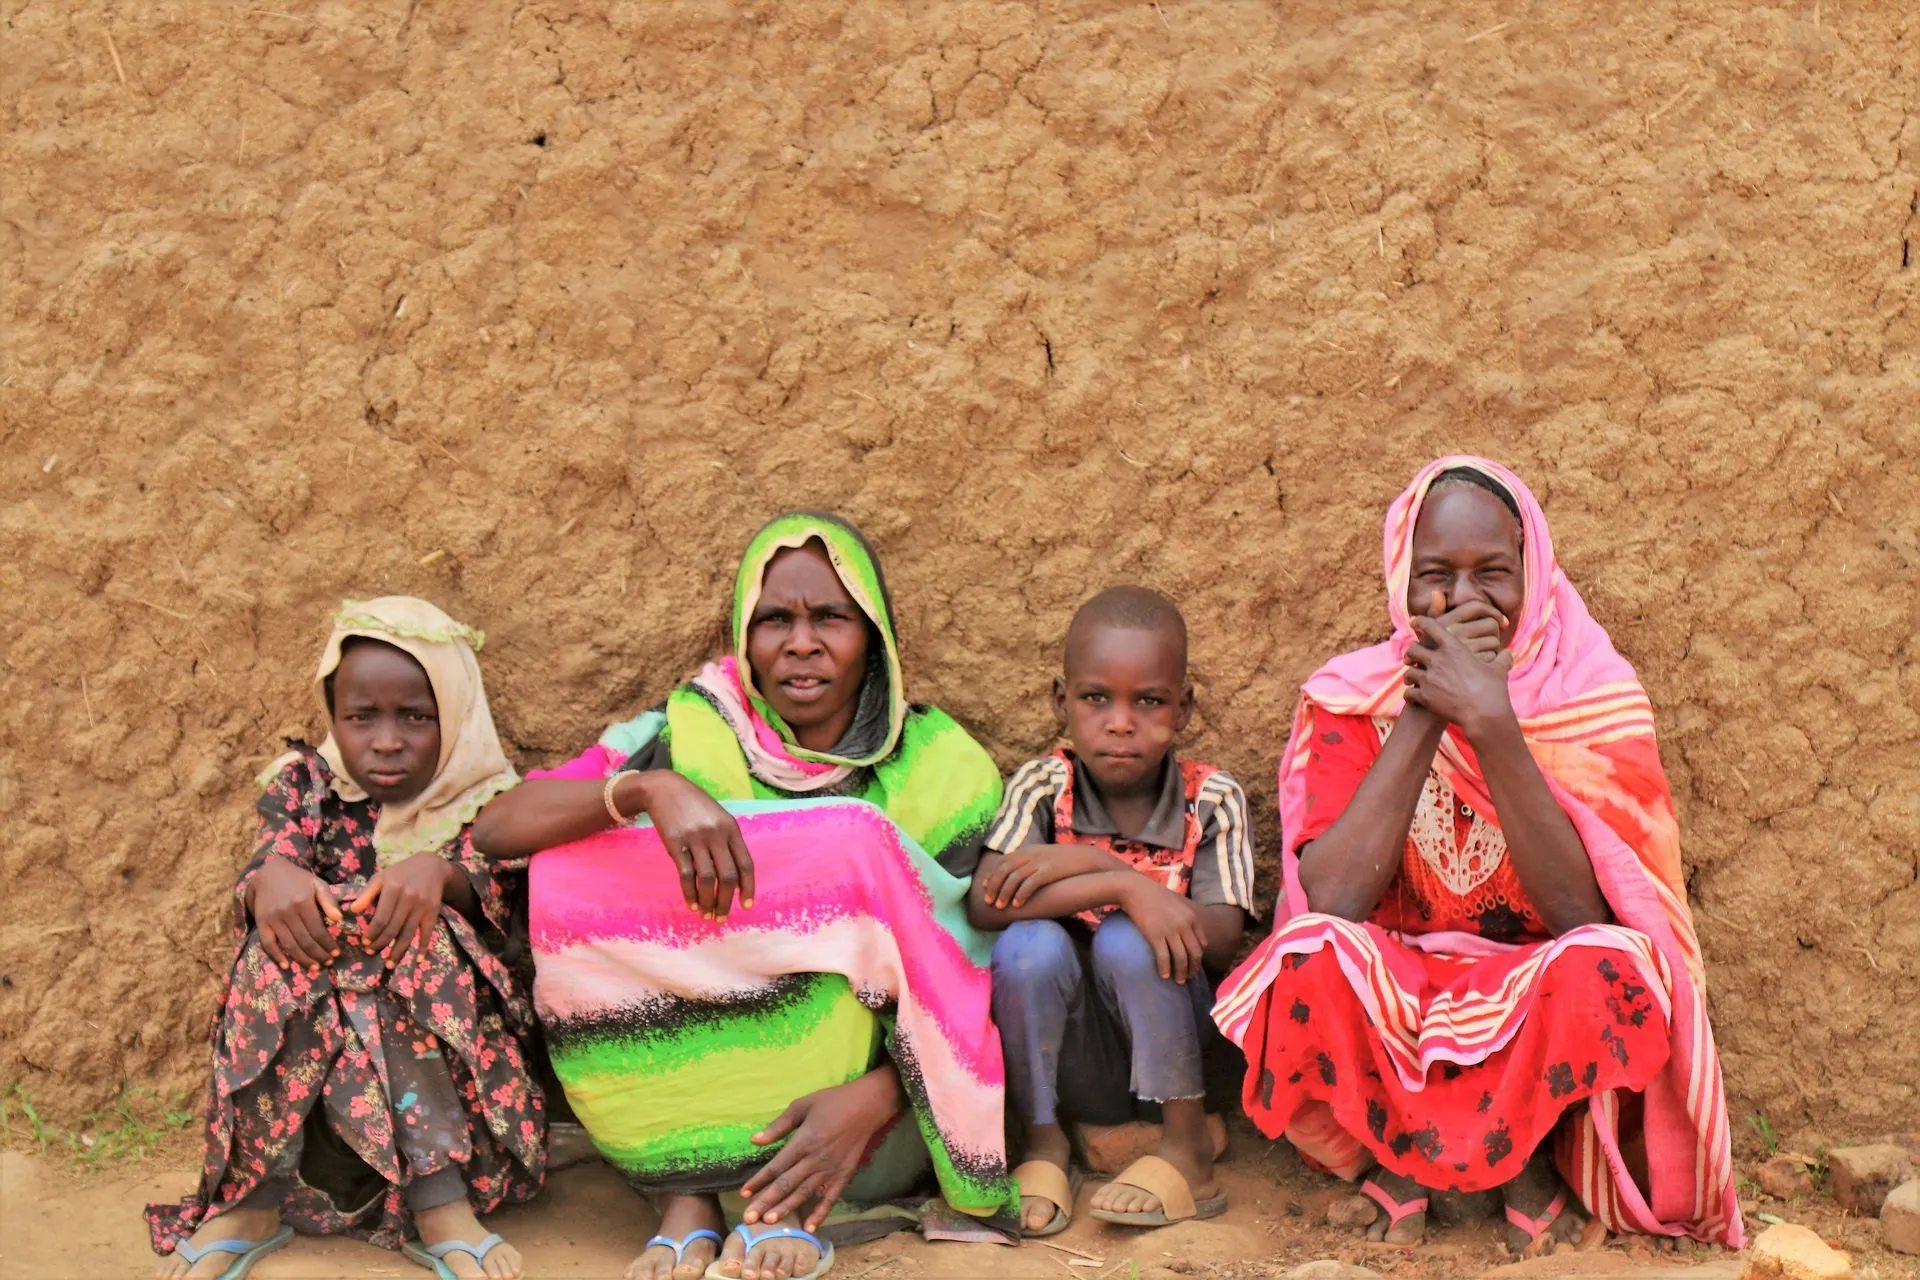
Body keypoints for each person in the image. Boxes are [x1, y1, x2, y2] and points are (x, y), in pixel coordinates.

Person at [1210, 457, 1743, 1253]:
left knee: (1617, 967)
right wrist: (1428, 707)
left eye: (1493, 573)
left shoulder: (1589, 700)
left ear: (1535, 576)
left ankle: (1520, 1158)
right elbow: (1332, 902)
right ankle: (1409, 1159)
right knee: (1305, 956)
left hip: (1526, 992)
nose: (1462, 600)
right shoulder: (1351, 698)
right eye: (1435, 576)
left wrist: (1493, 722)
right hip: (1398, 982)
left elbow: (1581, 916)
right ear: (1401, 579)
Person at [473, 512, 1016, 1280]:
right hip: (677, 1098)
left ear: (876, 637)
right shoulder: (689, 733)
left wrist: (875, 1098)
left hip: (864, 1115)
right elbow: (500, 826)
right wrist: (646, 788)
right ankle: (688, 1192)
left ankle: (769, 1204)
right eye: (773, 620)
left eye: (830, 617)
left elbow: (973, 971)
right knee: (573, 863)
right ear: (743, 636)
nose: (801, 642)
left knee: (849, 848)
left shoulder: (942, 772)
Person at [148, 597, 544, 1280]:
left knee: (417, 938)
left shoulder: (487, 803)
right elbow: (270, 860)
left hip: (449, 1081)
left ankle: (439, 1196)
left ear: (455, 713)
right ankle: (256, 1195)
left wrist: (443, 875)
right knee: (277, 943)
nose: (386, 740)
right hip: (320, 1090)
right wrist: (268, 879)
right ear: (334, 719)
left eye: (415, 717)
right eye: (361, 717)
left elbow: (498, 904)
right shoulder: (305, 786)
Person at [970, 587, 1257, 1235]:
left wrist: (1107, 881)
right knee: (1027, 946)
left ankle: (1187, 1154)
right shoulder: (1045, 786)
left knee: (1132, 942)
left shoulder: (1210, 799)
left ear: (1182, 709)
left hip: (1180, 1056)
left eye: (1149, 701)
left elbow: (1218, 937)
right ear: (1060, 700)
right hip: (1080, 1064)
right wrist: (1124, 883)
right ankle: (1045, 1143)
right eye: (1096, 697)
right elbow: (987, 902)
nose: (1121, 721)